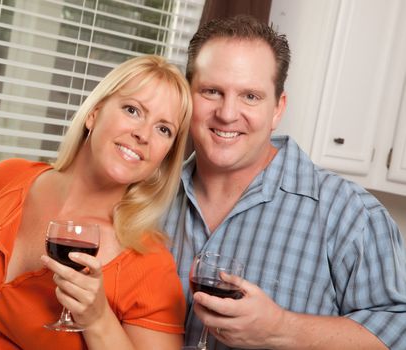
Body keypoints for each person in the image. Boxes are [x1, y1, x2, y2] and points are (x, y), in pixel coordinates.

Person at [0, 55, 193, 350]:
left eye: (163, 129)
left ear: (166, 154)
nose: (143, 134)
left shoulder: (150, 265)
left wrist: (98, 320)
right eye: (132, 110)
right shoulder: (6, 178)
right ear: (94, 113)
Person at [161, 15, 406, 350]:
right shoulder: (150, 196)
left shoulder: (350, 214)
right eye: (212, 91)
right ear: (187, 96)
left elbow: (399, 329)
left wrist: (282, 329)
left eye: (250, 96)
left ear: (278, 109)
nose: (228, 113)